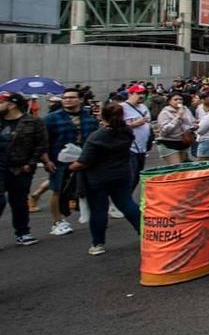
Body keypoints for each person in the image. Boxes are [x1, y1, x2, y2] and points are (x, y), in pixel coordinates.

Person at [67, 102, 141, 256]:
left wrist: (71, 166)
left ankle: (98, 243)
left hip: (98, 177)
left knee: (99, 209)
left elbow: (83, 161)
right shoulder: (126, 132)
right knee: (127, 204)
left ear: (102, 116)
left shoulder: (97, 136)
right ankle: (145, 232)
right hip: (122, 174)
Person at [42, 87, 99, 237]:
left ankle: (90, 214)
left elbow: (94, 139)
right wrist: (46, 160)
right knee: (57, 190)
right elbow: (43, 142)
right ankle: (57, 221)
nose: (68, 100)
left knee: (88, 187)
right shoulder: (52, 118)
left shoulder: (89, 118)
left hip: (84, 159)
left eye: (72, 97)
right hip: (58, 160)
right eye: (65, 97)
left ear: (80, 99)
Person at [0, 92, 49, 246]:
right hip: (0, 167)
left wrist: (31, 163)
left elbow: (41, 144)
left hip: (21, 168)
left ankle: (23, 232)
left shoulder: (33, 122)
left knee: (19, 202)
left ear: (11, 104)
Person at [121, 85, 153, 189]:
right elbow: (114, 126)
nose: (141, 96)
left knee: (137, 177)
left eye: (143, 93)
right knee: (130, 177)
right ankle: (124, 201)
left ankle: (127, 199)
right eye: (138, 93)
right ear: (130, 94)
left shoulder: (144, 107)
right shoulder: (122, 108)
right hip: (129, 148)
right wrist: (133, 124)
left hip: (142, 148)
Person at [155, 93, 196, 166]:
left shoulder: (186, 110)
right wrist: (178, 117)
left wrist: (193, 127)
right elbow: (165, 130)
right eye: (175, 99)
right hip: (169, 142)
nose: (179, 101)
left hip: (183, 141)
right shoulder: (165, 112)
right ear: (169, 101)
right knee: (176, 167)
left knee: (183, 166)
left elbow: (191, 122)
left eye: (180, 99)